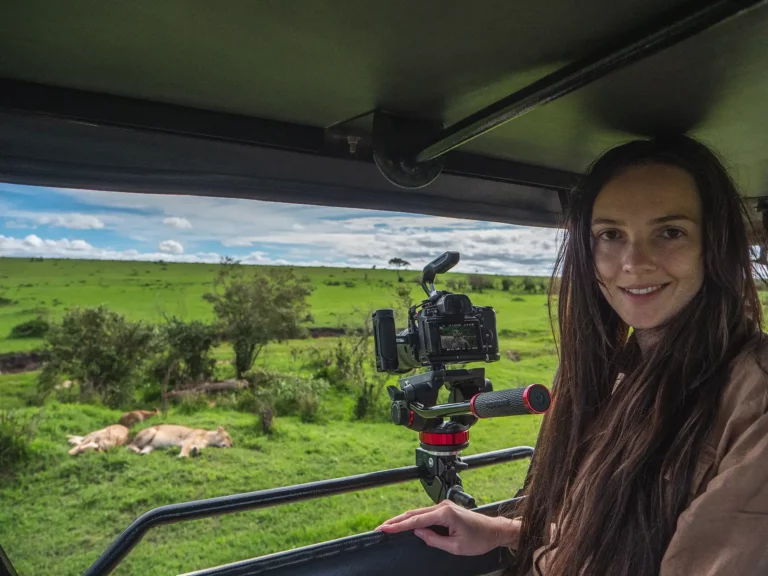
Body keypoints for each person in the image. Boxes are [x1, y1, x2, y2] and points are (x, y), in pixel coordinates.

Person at [376, 136, 768, 576]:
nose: (633, 262)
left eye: (670, 232)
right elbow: (611, 539)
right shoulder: (625, 370)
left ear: (714, 244)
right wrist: (506, 531)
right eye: (611, 235)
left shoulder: (754, 394)